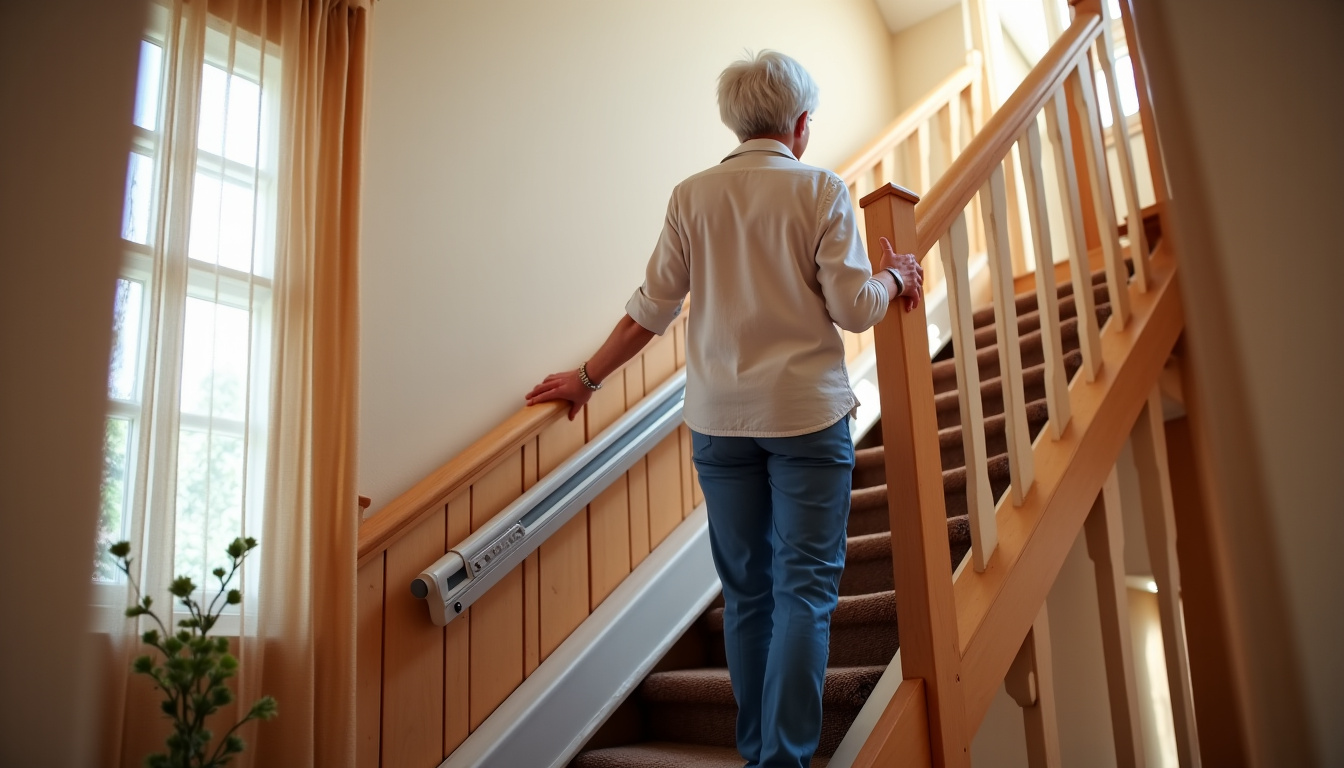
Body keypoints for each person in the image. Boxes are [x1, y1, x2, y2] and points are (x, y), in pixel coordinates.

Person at [525, 50, 922, 768]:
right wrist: (896, 275)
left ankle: (752, 751)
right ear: (801, 124)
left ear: (737, 122)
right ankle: (783, 759)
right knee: (804, 593)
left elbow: (651, 310)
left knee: (747, 597)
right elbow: (854, 310)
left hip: (719, 422)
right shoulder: (821, 189)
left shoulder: (691, 195)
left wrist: (586, 378)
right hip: (805, 417)